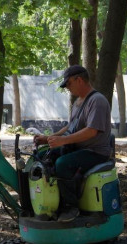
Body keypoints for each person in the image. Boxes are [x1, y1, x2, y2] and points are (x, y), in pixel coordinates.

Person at [34, 65, 112, 222]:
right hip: (78, 147)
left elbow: (92, 131)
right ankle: (49, 202)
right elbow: (70, 126)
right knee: (40, 156)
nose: (67, 88)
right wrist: (48, 138)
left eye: (68, 83)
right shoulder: (78, 102)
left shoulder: (97, 101)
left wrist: (63, 141)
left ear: (79, 80)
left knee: (63, 163)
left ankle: (71, 207)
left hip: (95, 152)